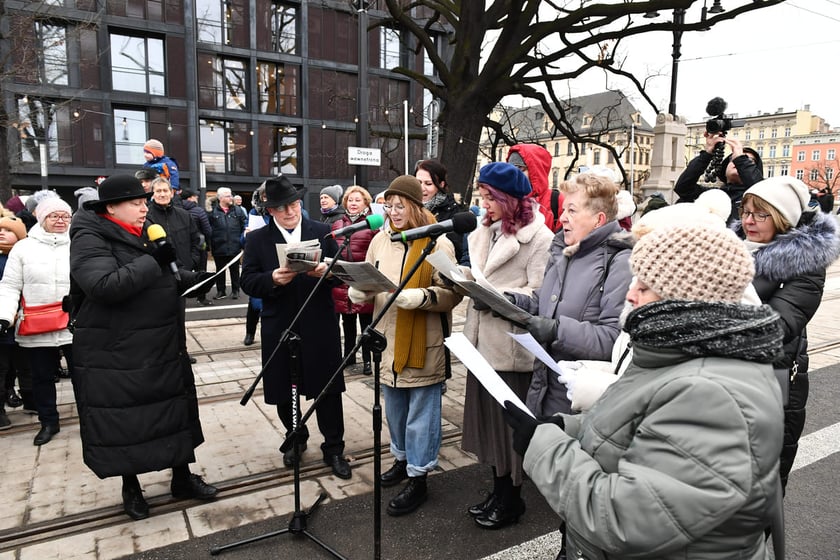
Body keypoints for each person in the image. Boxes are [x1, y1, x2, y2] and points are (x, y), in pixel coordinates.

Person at [503, 223, 785, 560]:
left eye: (646, 284)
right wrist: (569, 429)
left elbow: (627, 519)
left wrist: (545, 448)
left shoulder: (710, 394)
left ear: (686, 296)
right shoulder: (678, 352)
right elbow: (640, 423)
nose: (631, 293)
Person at [69, 175, 217, 521]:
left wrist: (190, 279)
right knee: (125, 420)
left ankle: (182, 478)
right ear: (111, 208)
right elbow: (103, 284)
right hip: (118, 352)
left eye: (144, 201)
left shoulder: (146, 229)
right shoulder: (89, 236)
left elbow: (165, 273)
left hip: (163, 343)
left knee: (173, 413)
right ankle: (131, 488)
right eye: (135, 202)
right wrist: (155, 260)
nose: (143, 207)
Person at [347, 175, 462, 517]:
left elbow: (454, 293)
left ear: (415, 206)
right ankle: (401, 460)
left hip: (423, 342)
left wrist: (423, 297)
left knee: (421, 417)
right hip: (387, 339)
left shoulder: (438, 243)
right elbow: (370, 275)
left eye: (401, 206)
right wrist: (360, 291)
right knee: (394, 412)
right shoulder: (380, 240)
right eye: (389, 206)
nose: (394, 213)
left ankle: (419, 475)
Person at [239, 176, 352, 480]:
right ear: (270, 211)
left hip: (319, 322)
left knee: (328, 389)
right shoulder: (257, 239)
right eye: (281, 207)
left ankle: (334, 448)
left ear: (300, 204)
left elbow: (343, 274)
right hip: (280, 324)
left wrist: (327, 273)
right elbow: (247, 281)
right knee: (284, 387)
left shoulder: (321, 230)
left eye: (293, 204)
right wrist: (272, 279)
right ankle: (295, 437)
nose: (289, 211)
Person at [460, 162, 553, 529]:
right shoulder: (488, 230)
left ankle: (513, 498)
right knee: (488, 424)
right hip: (482, 342)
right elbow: (480, 272)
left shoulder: (540, 239)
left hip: (513, 349)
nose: (484, 206)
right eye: (482, 197)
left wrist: (494, 296)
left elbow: (539, 294)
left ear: (509, 200)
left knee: (509, 429)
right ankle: (498, 489)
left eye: (490, 198)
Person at [735, 176, 840, 491]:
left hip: (774, 384)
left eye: (760, 214)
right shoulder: (732, 248)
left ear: (782, 217)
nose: (748, 220)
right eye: (745, 211)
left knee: (760, 486)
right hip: (725, 379)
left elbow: (777, 327)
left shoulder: (806, 262)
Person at [507, 172, 634, 418]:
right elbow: (544, 303)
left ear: (598, 219)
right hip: (544, 388)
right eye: (564, 209)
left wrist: (557, 330)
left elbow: (613, 340)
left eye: (572, 211)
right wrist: (509, 302)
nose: (562, 217)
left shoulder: (620, 261)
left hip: (579, 405)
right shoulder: (563, 250)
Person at [0, 197, 74, 446]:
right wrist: (4, 316)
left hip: (74, 324)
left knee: (84, 375)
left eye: (65, 216)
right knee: (41, 377)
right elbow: (10, 286)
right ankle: (48, 422)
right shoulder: (24, 248)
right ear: (42, 218)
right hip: (37, 325)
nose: (61, 220)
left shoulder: (79, 244)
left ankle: (91, 418)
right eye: (54, 215)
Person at [331, 185, 377, 375]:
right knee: (347, 322)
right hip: (342, 280)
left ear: (366, 202)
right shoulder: (337, 225)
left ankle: (368, 360)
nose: (353, 203)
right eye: (350, 200)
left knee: (366, 323)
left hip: (362, 279)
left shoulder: (373, 224)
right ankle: (349, 357)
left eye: (358, 200)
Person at [674, 132, 764, 224]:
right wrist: (706, 154)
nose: (736, 162)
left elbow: (761, 192)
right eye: (733, 159)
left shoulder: (757, 195)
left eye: (749, 161)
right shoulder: (713, 195)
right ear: (724, 170)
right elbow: (683, 188)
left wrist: (740, 159)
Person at [0, 216, 28, 430]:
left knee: (21, 367)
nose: (2, 233)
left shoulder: (25, 254)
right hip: (3, 323)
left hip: (25, 321)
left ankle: (17, 393)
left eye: (8, 230)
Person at [415, 159, 469, 264]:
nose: (422, 188)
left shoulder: (454, 211)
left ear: (441, 184)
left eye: (428, 183)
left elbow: (456, 248)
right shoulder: (408, 207)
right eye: (418, 182)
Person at [242, 184, 270, 346]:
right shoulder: (254, 212)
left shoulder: (291, 211)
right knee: (254, 302)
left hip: (279, 257)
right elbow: (243, 240)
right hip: (260, 260)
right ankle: (250, 333)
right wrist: (246, 235)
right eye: (264, 196)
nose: (266, 199)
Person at [208, 187, 246, 300]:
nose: (231, 197)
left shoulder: (237, 211)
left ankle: (235, 290)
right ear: (220, 198)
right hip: (218, 246)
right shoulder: (212, 212)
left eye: (230, 195)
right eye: (228, 195)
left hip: (234, 246)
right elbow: (208, 228)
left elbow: (244, 224)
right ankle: (221, 291)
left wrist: (242, 239)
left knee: (234, 270)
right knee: (220, 270)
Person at [507, 144, 556, 231]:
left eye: (521, 169)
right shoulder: (506, 201)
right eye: (512, 171)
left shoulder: (556, 201)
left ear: (535, 171)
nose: (516, 175)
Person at [180, 188, 214, 306]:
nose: (197, 198)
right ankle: (201, 298)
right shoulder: (198, 210)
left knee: (184, 271)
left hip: (183, 247)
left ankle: (182, 296)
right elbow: (207, 230)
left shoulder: (177, 209)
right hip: (199, 246)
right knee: (201, 271)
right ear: (190, 198)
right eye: (196, 196)